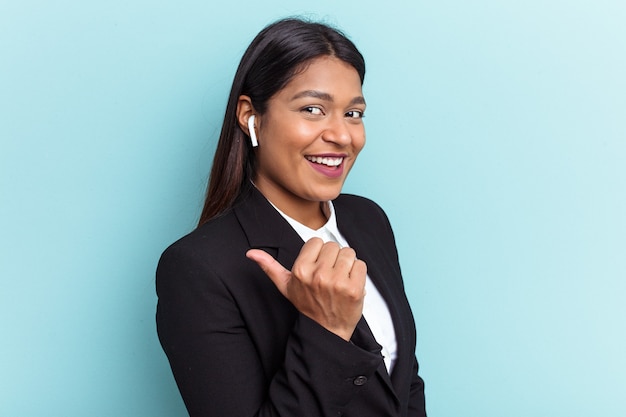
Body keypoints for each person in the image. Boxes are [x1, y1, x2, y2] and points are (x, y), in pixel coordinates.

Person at [156, 17, 427, 417]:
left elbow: (404, 382)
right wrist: (327, 331)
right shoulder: (198, 269)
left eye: (354, 113)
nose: (342, 135)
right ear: (251, 116)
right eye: (313, 109)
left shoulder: (368, 220)